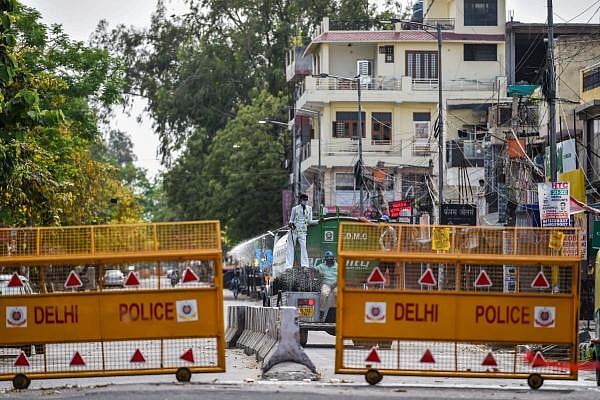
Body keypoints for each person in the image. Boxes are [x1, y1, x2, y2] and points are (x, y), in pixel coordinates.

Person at [286, 193, 318, 268]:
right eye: (304, 200)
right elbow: (291, 220)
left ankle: (305, 265)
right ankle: (288, 266)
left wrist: (318, 221)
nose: (305, 202)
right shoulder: (295, 209)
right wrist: (291, 224)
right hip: (294, 231)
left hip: (303, 232)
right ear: (300, 200)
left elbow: (309, 221)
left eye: (306, 200)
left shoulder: (309, 209)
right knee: (290, 247)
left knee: (304, 247)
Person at [314, 251, 337, 321]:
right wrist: (318, 272)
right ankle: (322, 311)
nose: (329, 259)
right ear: (325, 259)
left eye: (330, 258)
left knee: (337, 294)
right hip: (326, 284)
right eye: (327, 258)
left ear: (333, 258)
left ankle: (335, 311)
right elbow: (313, 269)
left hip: (336, 284)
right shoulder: (322, 266)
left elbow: (341, 276)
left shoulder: (338, 266)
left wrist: (335, 284)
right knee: (324, 293)